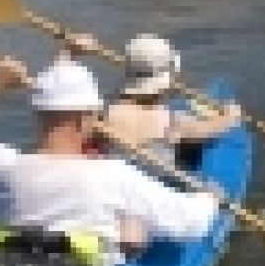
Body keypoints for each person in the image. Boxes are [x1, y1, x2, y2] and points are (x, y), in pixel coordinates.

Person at [0, 49, 221, 266]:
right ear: (85, 119)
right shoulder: (113, 175)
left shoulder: (1, 166)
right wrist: (209, 199)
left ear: (37, 114)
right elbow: (191, 225)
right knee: (136, 228)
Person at [100, 34, 243, 168]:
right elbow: (211, 129)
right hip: (157, 186)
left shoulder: (106, 113)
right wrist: (230, 116)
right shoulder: (173, 121)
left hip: (119, 183)